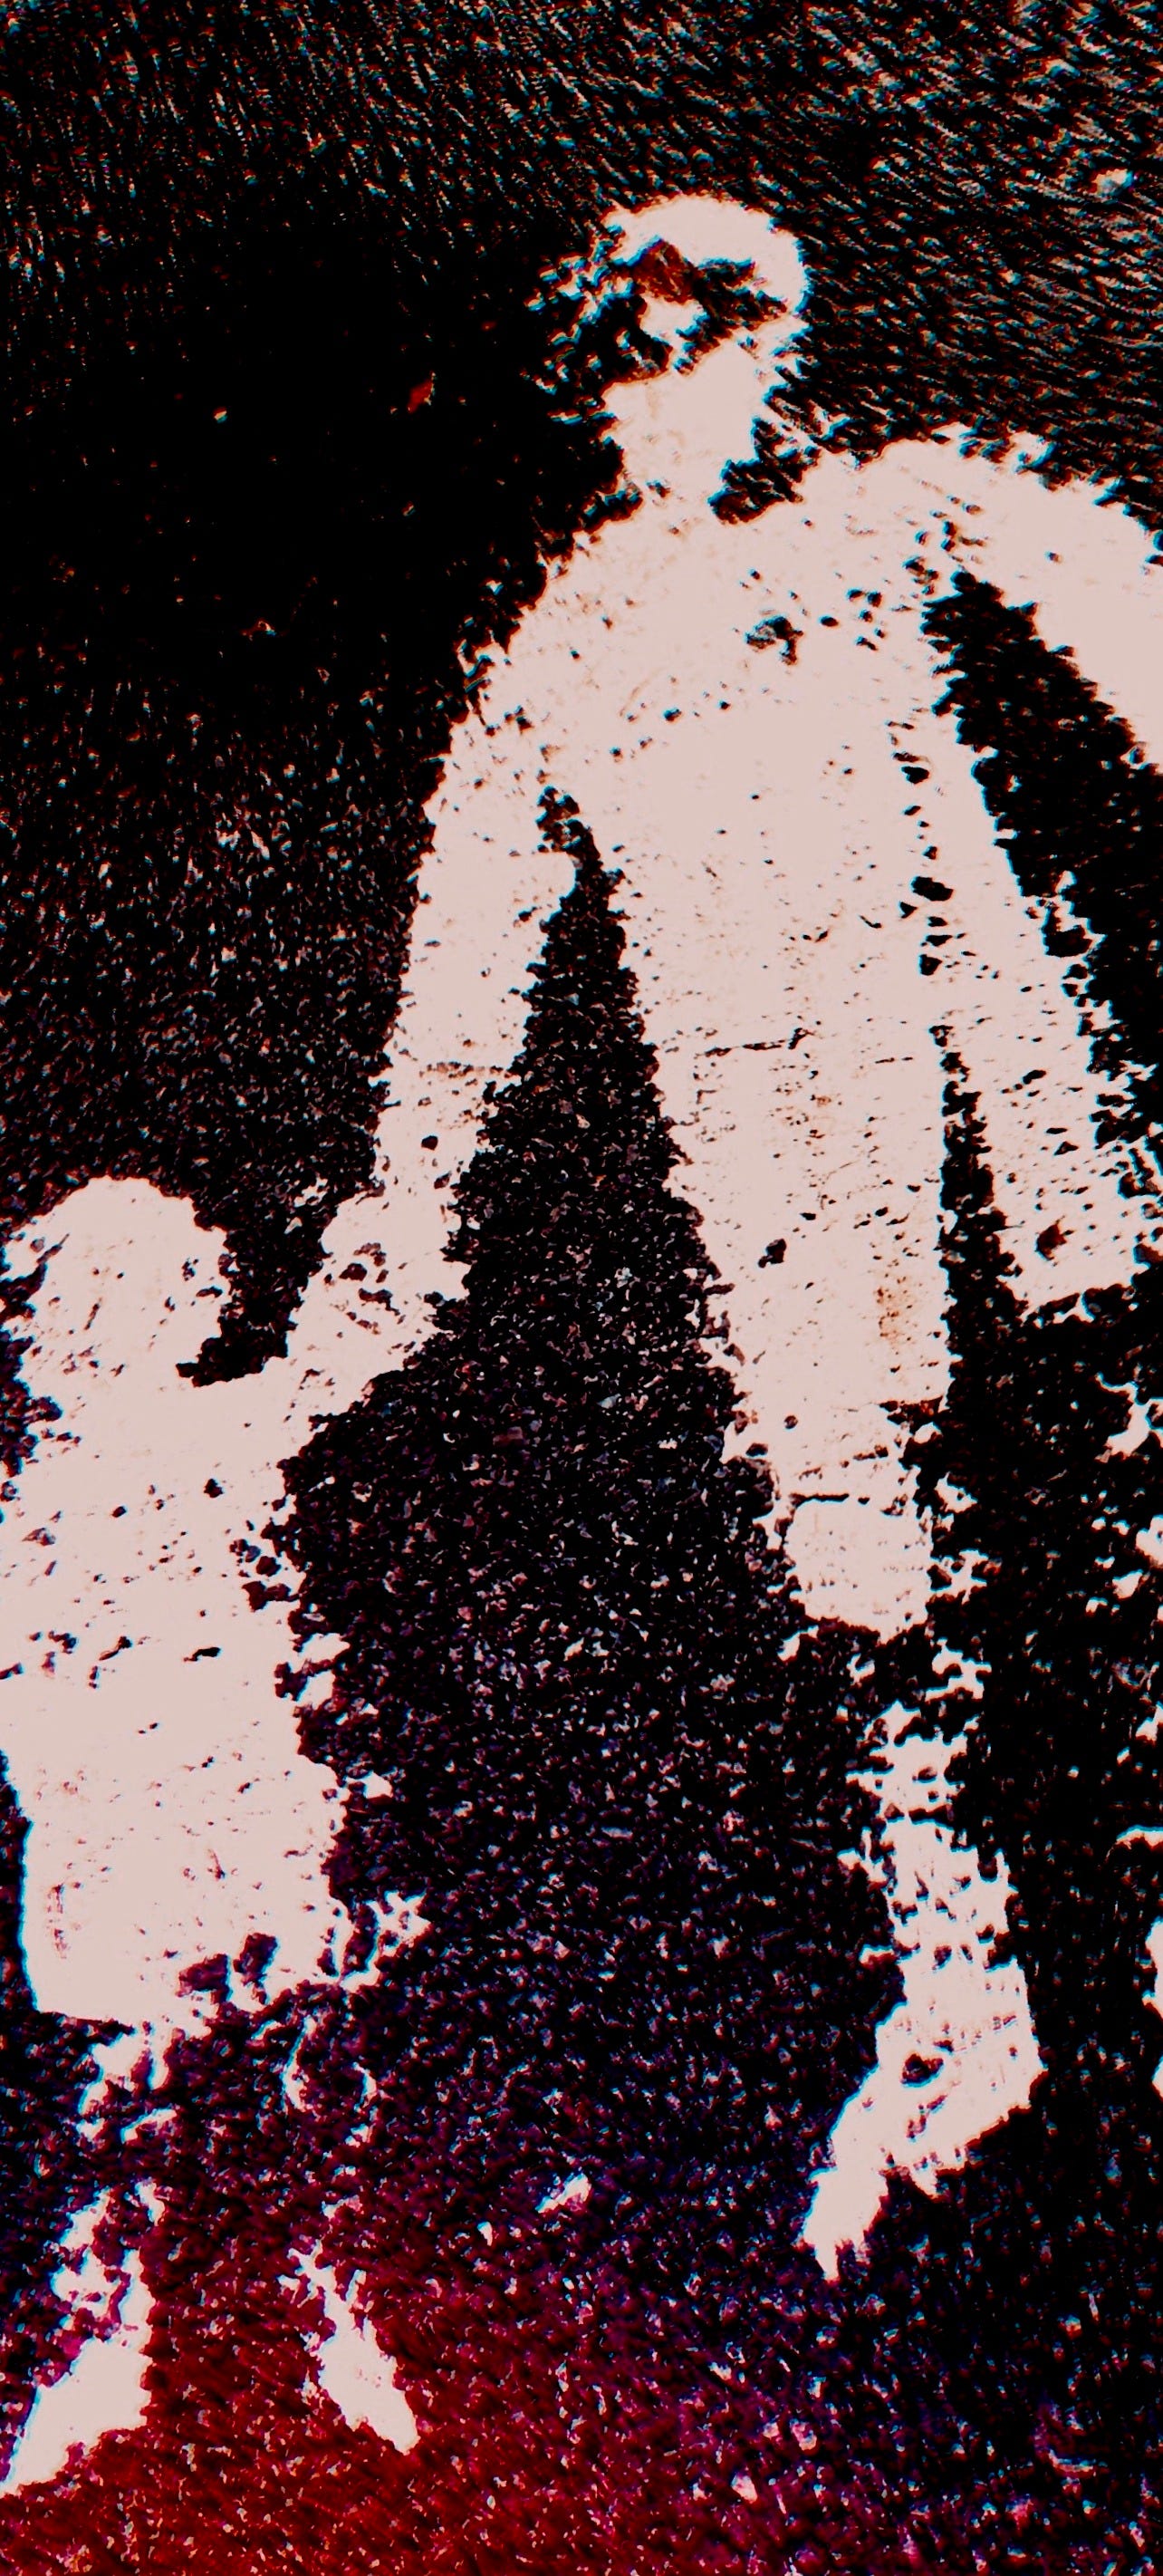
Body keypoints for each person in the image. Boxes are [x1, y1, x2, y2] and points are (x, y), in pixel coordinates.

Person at [1, 193, 1160, 2462]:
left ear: (777, 349)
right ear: (592, 400)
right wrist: (351, 1313)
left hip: (1019, 1136)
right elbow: (455, 1026)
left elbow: (1128, 621)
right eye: (637, 360)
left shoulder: (908, 519)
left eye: (718, 340)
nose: (683, 388)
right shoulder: (564, 662)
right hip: (790, 1209)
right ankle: (963, 1990)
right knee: (881, 1596)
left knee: (1112, 1520)